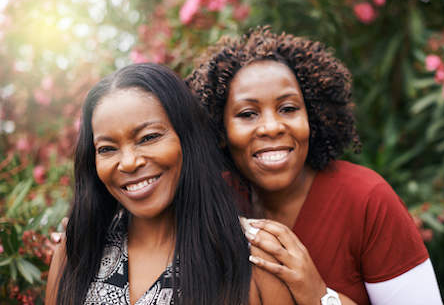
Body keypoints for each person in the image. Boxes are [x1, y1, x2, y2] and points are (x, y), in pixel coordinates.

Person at [185, 26, 444, 305]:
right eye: (248, 114)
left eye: (288, 108)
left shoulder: (367, 198)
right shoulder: (215, 202)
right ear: (220, 132)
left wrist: (318, 295)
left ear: (313, 117)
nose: (272, 127)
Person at [45, 63, 295, 305]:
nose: (129, 163)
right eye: (107, 149)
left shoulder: (257, 256)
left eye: (149, 137)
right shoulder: (76, 251)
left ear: (188, 139)